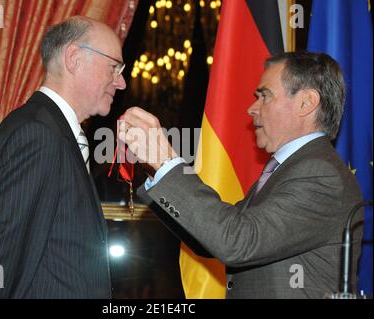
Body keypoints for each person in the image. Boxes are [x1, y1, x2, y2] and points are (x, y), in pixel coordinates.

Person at [119, 52, 364, 299]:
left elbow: (235, 242)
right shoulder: (291, 167)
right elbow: (212, 240)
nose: (251, 108)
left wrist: (166, 163)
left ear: (306, 103)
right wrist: (156, 172)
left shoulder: (320, 174)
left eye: (264, 95)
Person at [0, 16, 126, 298]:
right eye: (114, 67)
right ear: (74, 58)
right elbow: (2, 260)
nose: (121, 82)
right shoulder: (39, 135)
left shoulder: (50, 131)